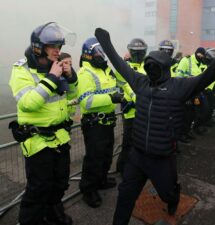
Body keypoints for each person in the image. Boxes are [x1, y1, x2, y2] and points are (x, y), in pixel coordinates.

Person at [94, 27, 215, 225]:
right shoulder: (140, 83)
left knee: (168, 194)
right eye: (149, 66)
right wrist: (106, 43)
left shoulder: (179, 87)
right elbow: (120, 65)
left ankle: (173, 199)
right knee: (125, 195)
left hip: (161, 158)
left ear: (164, 67)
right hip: (137, 156)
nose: (151, 70)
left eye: (155, 67)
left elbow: (206, 78)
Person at [9, 22, 76, 225]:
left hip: (60, 137)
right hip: (38, 141)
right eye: (52, 46)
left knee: (60, 182)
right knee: (39, 187)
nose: (57, 50)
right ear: (39, 47)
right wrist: (52, 78)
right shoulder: (22, 70)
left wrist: (70, 78)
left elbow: (71, 99)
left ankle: (53, 213)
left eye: (59, 46)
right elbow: (28, 103)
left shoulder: (53, 68)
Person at [77, 37, 123, 208]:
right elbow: (86, 102)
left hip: (107, 121)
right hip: (94, 124)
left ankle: (101, 180)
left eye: (102, 52)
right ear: (89, 54)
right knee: (94, 158)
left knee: (106, 154)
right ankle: (88, 190)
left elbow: (116, 86)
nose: (102, 55)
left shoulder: (105, 70)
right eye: (98, 52)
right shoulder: (85, 73)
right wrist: (111, 97)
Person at [116, 38, 146, 174]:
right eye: (136, 53)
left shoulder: (147, 65)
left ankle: (137, 166)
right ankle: (123, 169)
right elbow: (125, 84)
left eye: (141, 53)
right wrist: (138, 98)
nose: (138, 56)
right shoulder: (124, 66)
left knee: (141, 141)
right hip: (131, 111)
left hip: (144, 111)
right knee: (128, 142)